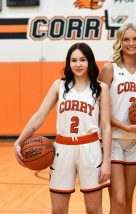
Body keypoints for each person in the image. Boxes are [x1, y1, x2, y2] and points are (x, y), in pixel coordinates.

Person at [14, 42, 111, 214]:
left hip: (90, 149)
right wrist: (19, 141)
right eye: (73, 60)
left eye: (82, 59)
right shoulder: (59, 85)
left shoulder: (100, 88)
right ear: (68, 63)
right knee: (58, 210)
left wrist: (106, 162)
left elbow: (106, 126)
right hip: (62, 149)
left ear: (90, 61)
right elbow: (38, 117)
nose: (78, 64)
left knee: (94, 209)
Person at [98, 23, 136, 214]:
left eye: (135, 39)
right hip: (113, 140)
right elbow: (100, 110)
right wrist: (126, 127)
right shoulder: (109, 69)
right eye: (126, 39)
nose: (131, 43)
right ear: (120, 43)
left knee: (128, 199)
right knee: (118, 200)